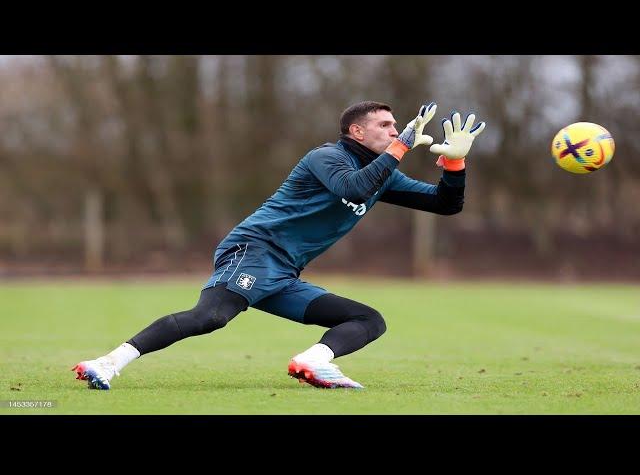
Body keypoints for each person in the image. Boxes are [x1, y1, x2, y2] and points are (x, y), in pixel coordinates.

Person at [72, 100, 485, 390]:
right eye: (386, 126)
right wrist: (401, 147)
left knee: (368, 320)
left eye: (397, 127)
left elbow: (446, 205)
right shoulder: (326, 157)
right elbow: (353, 188)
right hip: (254, 249)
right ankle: (107, 363)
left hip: (284, 271)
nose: (397, 131)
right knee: (211, 317)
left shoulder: (382, 175)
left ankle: (313, 362)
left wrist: (455, 164)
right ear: (355, 131)